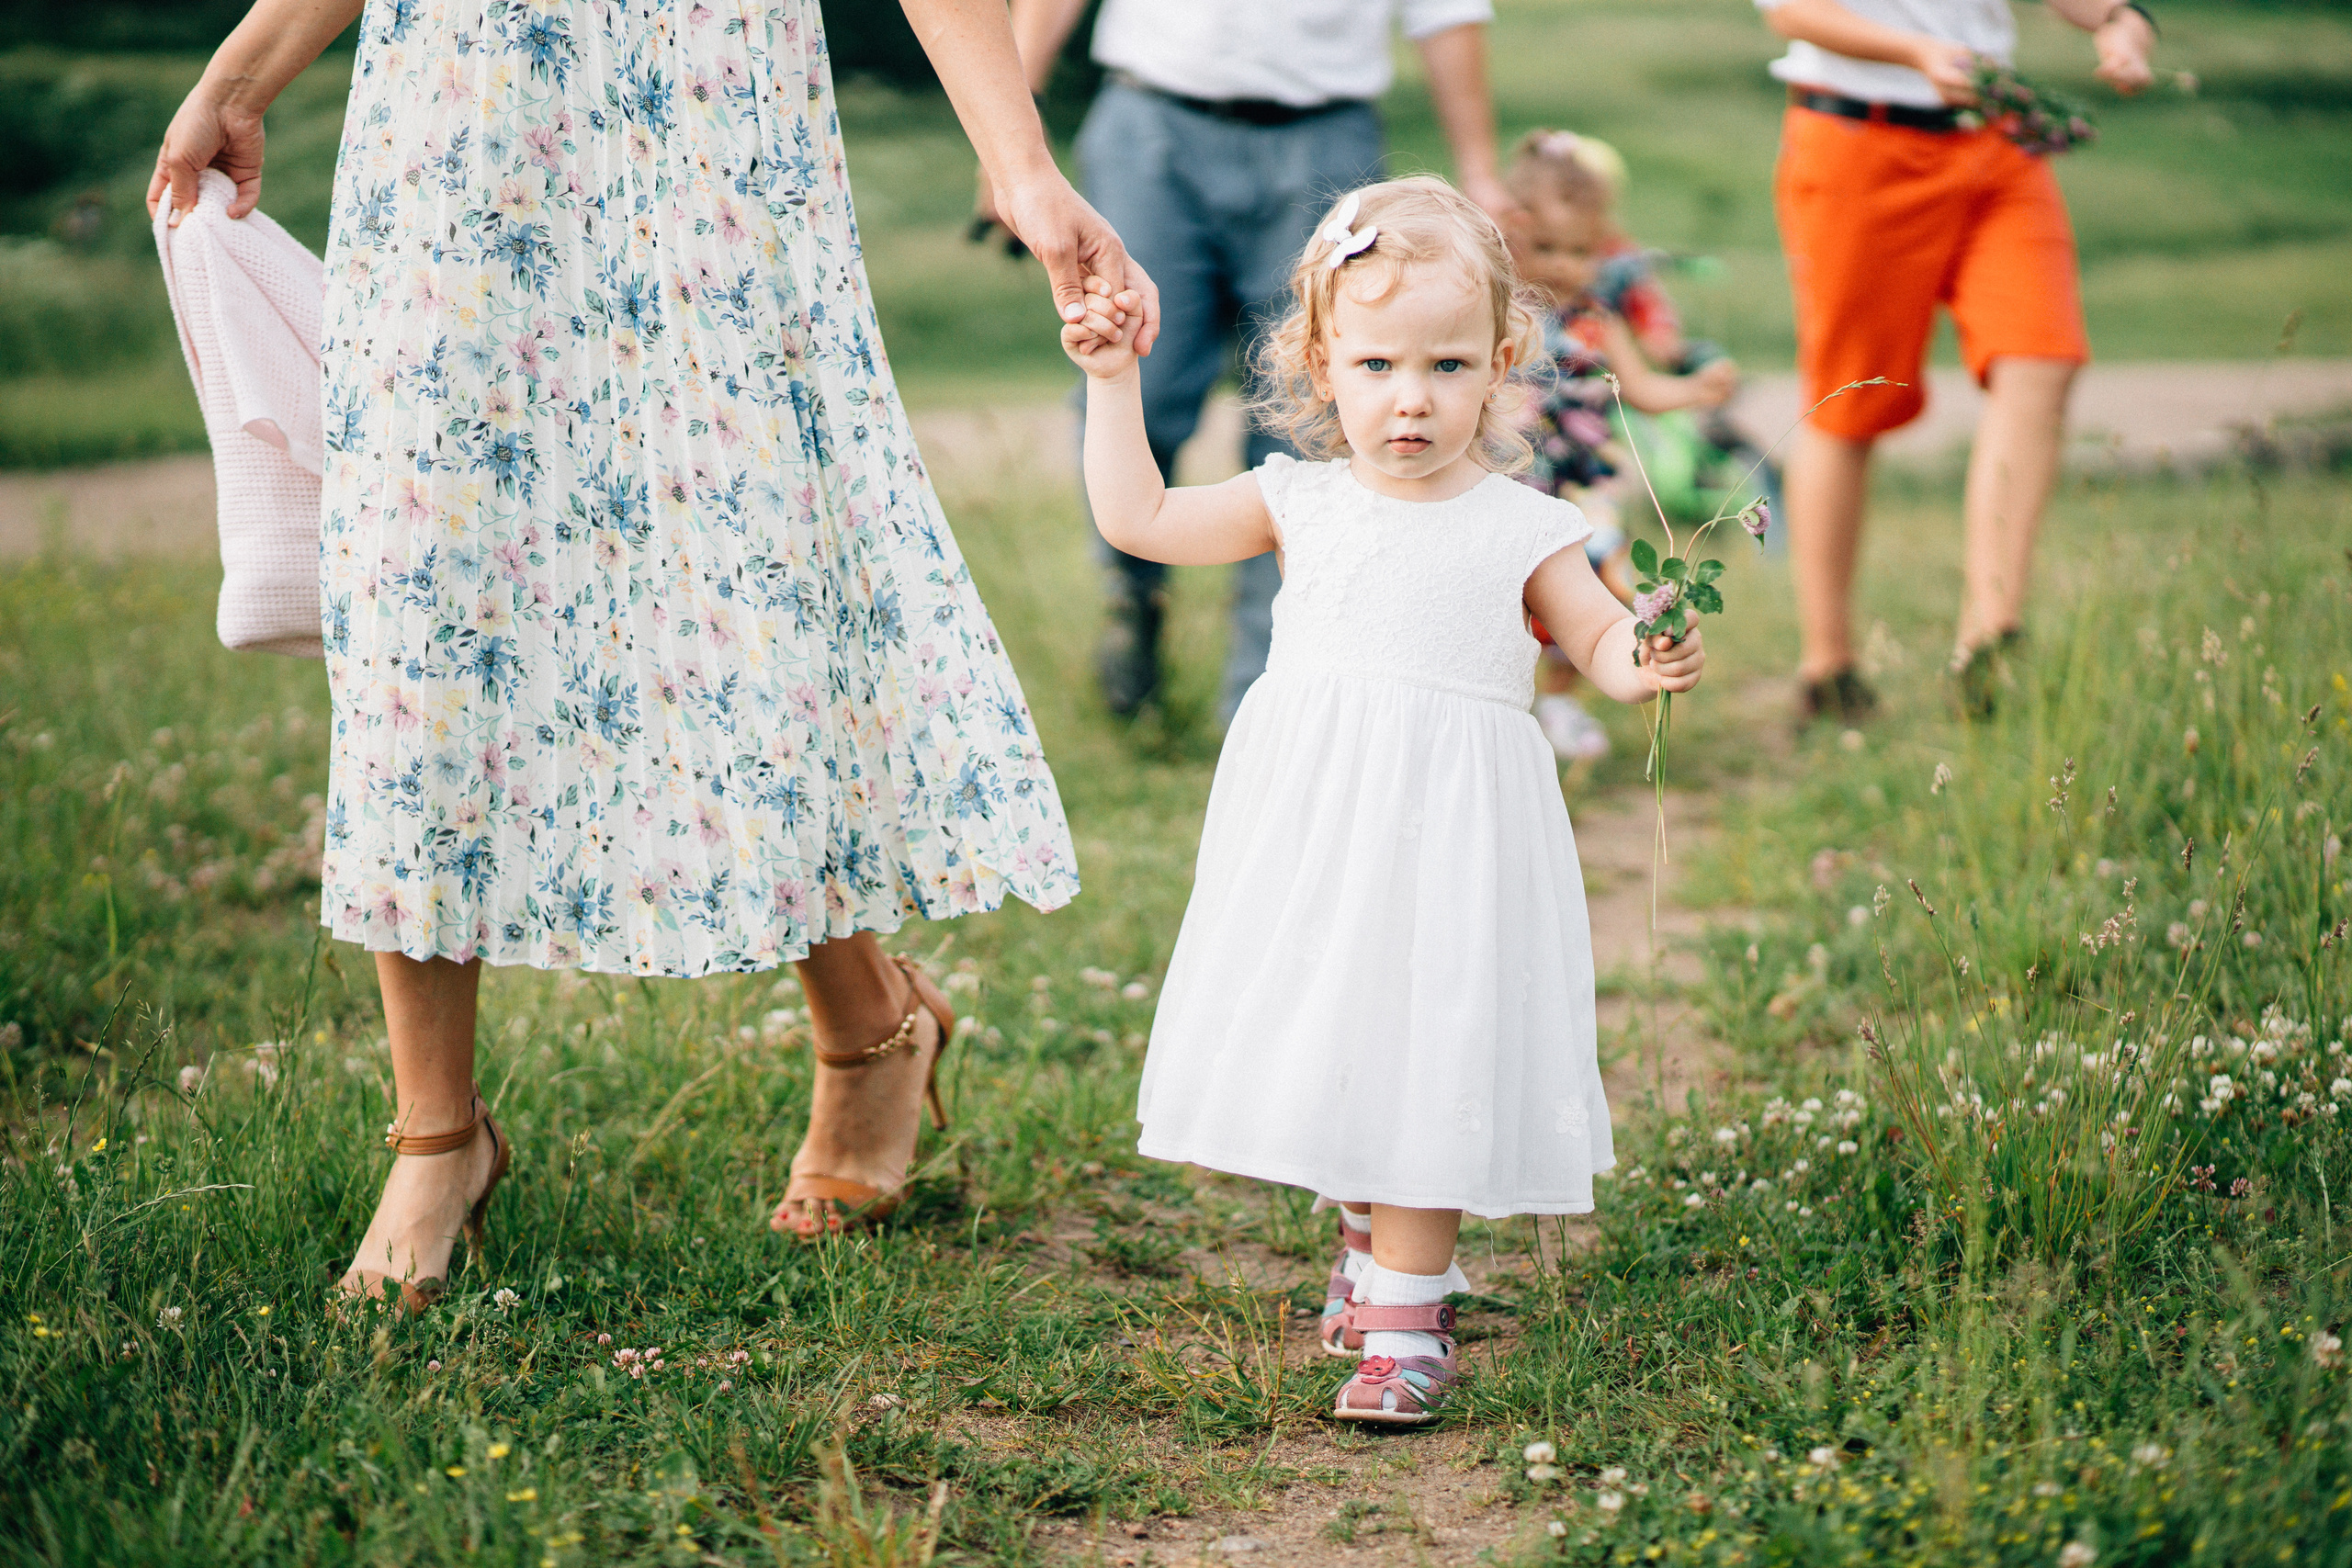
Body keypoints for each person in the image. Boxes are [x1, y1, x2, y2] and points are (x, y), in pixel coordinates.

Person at [149, 0, 1159, 1308]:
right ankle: (435, 1134)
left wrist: (1023, 169)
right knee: (425, 597)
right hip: (457, 129)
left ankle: (868, 1026)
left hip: (714, 126)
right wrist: (243, 75)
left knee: (737, 588)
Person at [1058, 178, 1705, 1422]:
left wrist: (1650, 654)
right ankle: (1368, 1228)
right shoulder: (1296, 501)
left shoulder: (1530, 525)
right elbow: (1135, 517)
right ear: (1319, 360)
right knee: (1344, 1019)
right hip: (1318, 825)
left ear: (1504, 362)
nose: (1412, 396)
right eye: (1377, 362)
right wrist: (1110, 381)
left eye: (1449, 363)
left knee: (1430, 1038)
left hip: (1460, 832)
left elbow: (1605, 645)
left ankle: (1408, 1313)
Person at [991, 0, 1519, 725]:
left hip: (1324, 135)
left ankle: (1265, 687)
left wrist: (1479, 168)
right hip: (1152, 123)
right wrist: (1014, 146)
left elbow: (1446, 12)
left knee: (1311, 408)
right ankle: (1132, 595)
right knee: (1136, 381)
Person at [1756, 0, 2156, 721]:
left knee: (2043, 354)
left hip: (1997, 146)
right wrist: (1915, 53)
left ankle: (1989, 639)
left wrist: (2120, 20)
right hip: (1857, 138)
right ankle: (1830, 667)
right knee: (1848, 402)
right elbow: (1789, 10)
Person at [1503, 129, 1740, 761]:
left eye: (1580, 251)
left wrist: (1694, 391)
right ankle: (1499, 704)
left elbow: (1642, 389)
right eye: (1546, 246)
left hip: (1583, 481)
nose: (1561, 264)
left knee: (1591, 574)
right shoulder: (1497, 318)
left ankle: (1568, 693)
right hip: (1511, 479)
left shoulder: (1598, 322)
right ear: (1514, 232)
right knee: (1501, 593)